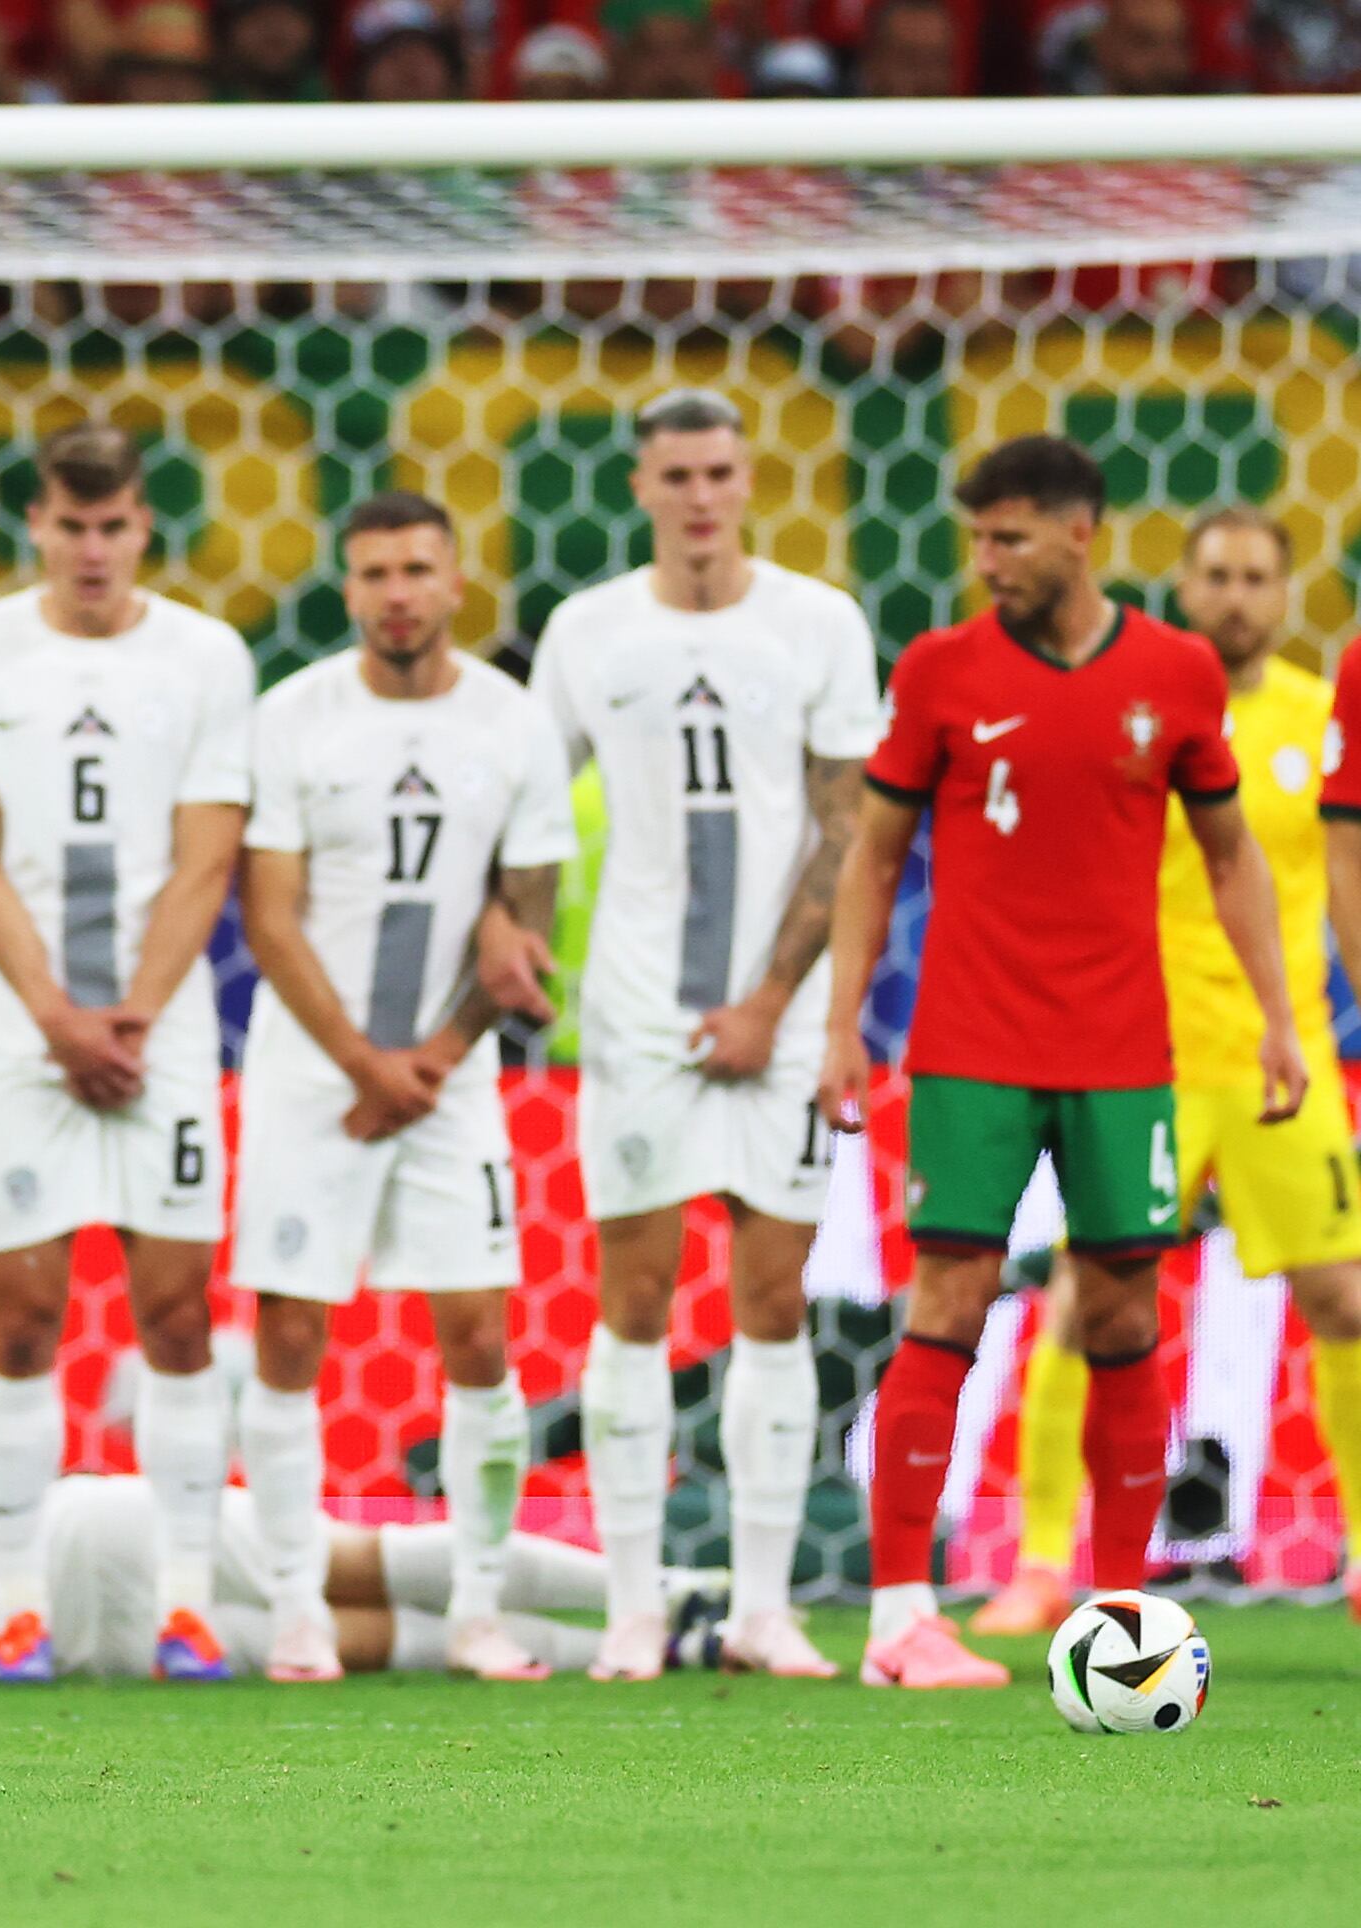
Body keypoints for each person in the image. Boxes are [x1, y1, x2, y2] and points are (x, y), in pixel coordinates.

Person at [822, 435, 1306, 1690]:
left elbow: (1232, 853)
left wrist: (1277, 1016)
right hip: (971, 1045)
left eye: (1011, 538)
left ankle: (1124, 1608)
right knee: (950, 1299)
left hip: (1122, 1052)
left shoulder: (1176, 672)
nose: (987, 562)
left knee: (1123, 1310)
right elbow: (874, 858)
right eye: (977, 537)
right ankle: (897, 1618)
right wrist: (838, 1026)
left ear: (1083, 532)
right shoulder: (938, 670)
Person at [530, 389, 879, 1683]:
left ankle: (764, 1610)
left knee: (773, 1300)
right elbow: (526, 803)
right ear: (641, 485)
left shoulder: (818, 624)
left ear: (748, 480)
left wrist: (778, 1006)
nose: (697, 496)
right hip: (633, 1016)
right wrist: (515, 936)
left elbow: (847, 825)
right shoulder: (586, 632)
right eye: (673, 473)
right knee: (632, 1300)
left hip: (777, 1024)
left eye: (717, 471)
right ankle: (631, 1610)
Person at [976, 507, 1361, 1632]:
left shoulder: (1317, 714)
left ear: (1287, 594)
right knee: (1083, 1303)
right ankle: (1044, 1561)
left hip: (1273, 1059)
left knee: (1342, 1296)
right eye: (1216, 574)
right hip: (1134, 1055)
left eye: (1257, 576)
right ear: (1181, 586)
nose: (1236, 595)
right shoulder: (1134, 707)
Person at [0, 422, 254, 1684]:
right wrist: (58, 1014)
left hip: (159, 1035)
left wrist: (133, 1014)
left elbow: (207, 849)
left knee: (176, 1313)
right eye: (72, 527)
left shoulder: (204, 655)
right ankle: (17, 1607)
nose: (94, 550)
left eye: (114, 527)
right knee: (22, 1314)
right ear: (39, 529)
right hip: (21, 1036)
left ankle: (186, 1605)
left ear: (143, 531)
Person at [230, 493, 576, 1684]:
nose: (396, 593)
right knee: (286, 1331)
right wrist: (367, 1062)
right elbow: (268, 917)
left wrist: (432, 1055)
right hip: (309, 1075)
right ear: (348, 588)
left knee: (478, 1333)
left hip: (450, 1077)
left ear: (455, 580)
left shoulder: (513, 721)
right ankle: (294, 1611)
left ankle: (479, 1610)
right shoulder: (294, 718)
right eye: (373, 571)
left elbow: (529, 910)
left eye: (416, 568)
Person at [0, 1430, 730, 1684]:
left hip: (82, 1646)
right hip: (86, 1534)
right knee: (373, 1558)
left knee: (367, 1638)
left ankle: (682, 1645)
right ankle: (655, 1593)